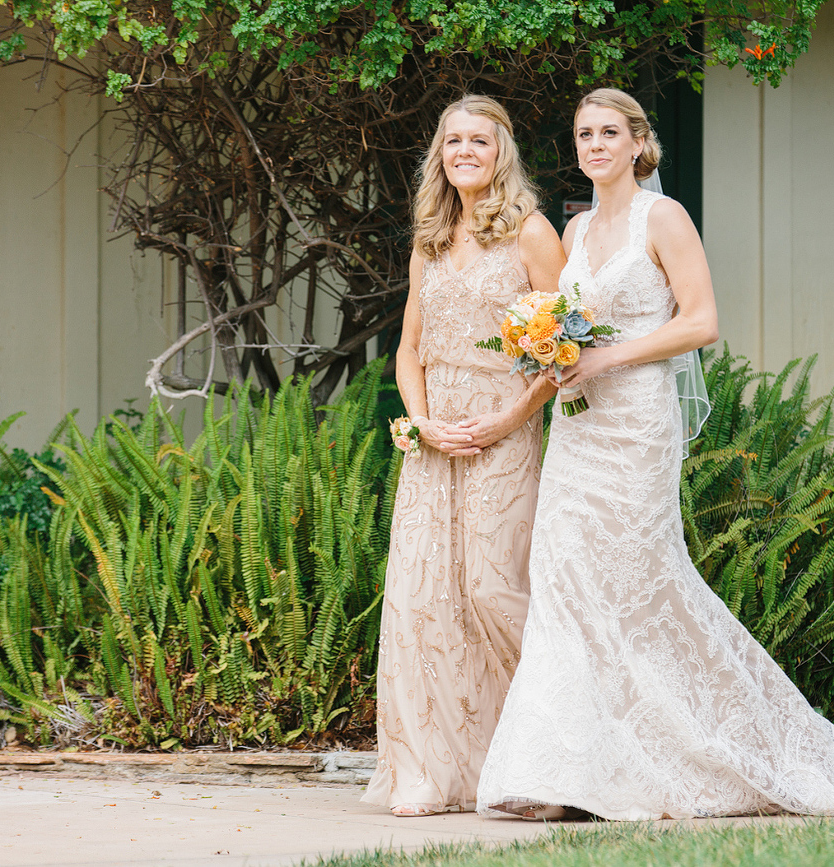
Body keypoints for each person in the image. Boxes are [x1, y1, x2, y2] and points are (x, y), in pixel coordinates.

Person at [475, 88, 834, 820]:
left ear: (637, 143)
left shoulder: (664, 218)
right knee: (565, 585)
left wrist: (606, 359)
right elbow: (571, 324)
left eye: (608, 132)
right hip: (578, 428)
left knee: (638, 585)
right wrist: (552, 351)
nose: (594, 145)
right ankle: (562, 774)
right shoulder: (579, 227)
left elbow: (701, 321)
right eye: (582, 134)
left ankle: (716, 753)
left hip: (635, 426)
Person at [362, 94, 564, 817]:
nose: (465, 152)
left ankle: (545, 762)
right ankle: (428, 771)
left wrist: (507, 418)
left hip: (504, 427)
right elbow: (408, 348)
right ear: (439, 154)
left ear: (501, 150)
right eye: (453, 142)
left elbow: (561, 352)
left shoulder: (533, 234)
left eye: (479, 140)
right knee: (423, 602)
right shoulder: (431, 235)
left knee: (490, 588)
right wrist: (420, 423)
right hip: (435, 435)